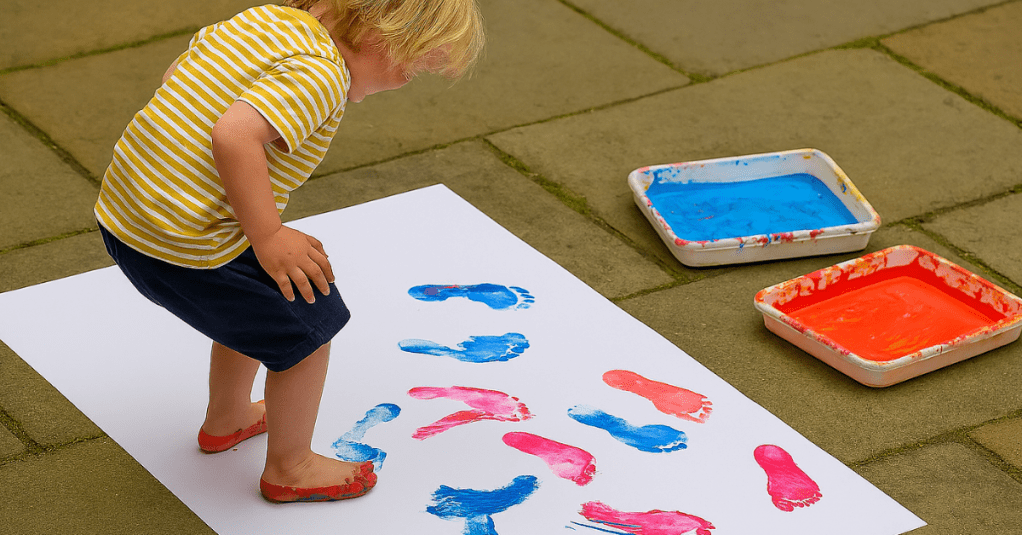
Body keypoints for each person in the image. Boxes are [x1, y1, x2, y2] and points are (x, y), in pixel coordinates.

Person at [94, 0, 484, 503]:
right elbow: (234, 136)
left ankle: (228, 418)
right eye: (413, 62)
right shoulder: (321, 74)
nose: (409, 79)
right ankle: (290, 467)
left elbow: (179, 74)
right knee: (308, 328)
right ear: (381, 33)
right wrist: (269, 236)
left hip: (128, 218)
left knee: (258, 303)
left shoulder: (263, 22)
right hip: (185, 244)